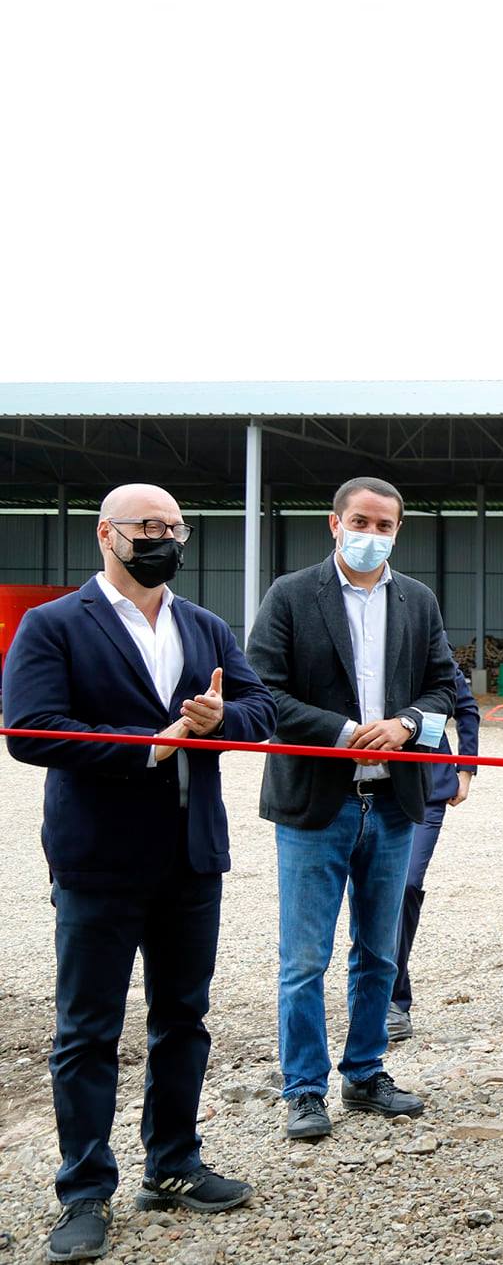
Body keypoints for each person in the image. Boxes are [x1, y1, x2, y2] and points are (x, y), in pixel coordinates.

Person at [3, 485, 276, 1263]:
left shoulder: (205, 626)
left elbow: (261, 710)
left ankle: (174, 1163)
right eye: (147, 527)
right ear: (107, 534)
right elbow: (30, 730)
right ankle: (85, 1190)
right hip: (98, 859)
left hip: (192, 857)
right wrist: (147, 746)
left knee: (183, 1018)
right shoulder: (54, 624)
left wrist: (223, 721)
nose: (163, 539)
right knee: (87, 1030)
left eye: (174, 527)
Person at [247, 475, 462, 1142]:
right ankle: (304, 1089)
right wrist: (342, 733)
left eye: (385, 525)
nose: (372, 534)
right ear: (334, 523)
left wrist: (406, 725)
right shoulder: (290, 596)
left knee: (378, 952)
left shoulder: (417, 600)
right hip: (318, 803)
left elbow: (444, 686)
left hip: (393, 803)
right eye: (361, 522)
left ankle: (365, 1072)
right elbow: (264, 692)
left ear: (399, 530)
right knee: (304, 958)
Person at [388, 664, 479, 1041]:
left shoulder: (429, 642)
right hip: (368, 783)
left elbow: (467, 709)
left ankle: (393, 1001)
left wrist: (465, 770)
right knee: (373, 891)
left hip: (428, 787)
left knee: (406, 885)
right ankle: (375, 992)